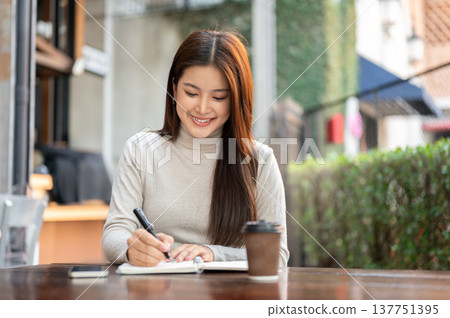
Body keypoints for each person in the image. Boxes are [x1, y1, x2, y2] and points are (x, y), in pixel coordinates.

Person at [102, 30, 289, 267]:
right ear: (174, 87)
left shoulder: (259, 160)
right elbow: (115, 232)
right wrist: (131, 248)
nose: (202, 108)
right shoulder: (140, 149)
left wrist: (212, 254)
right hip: (157, 293)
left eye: (218, 97)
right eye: (191, 93)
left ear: (236, 99)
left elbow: (276, 255)